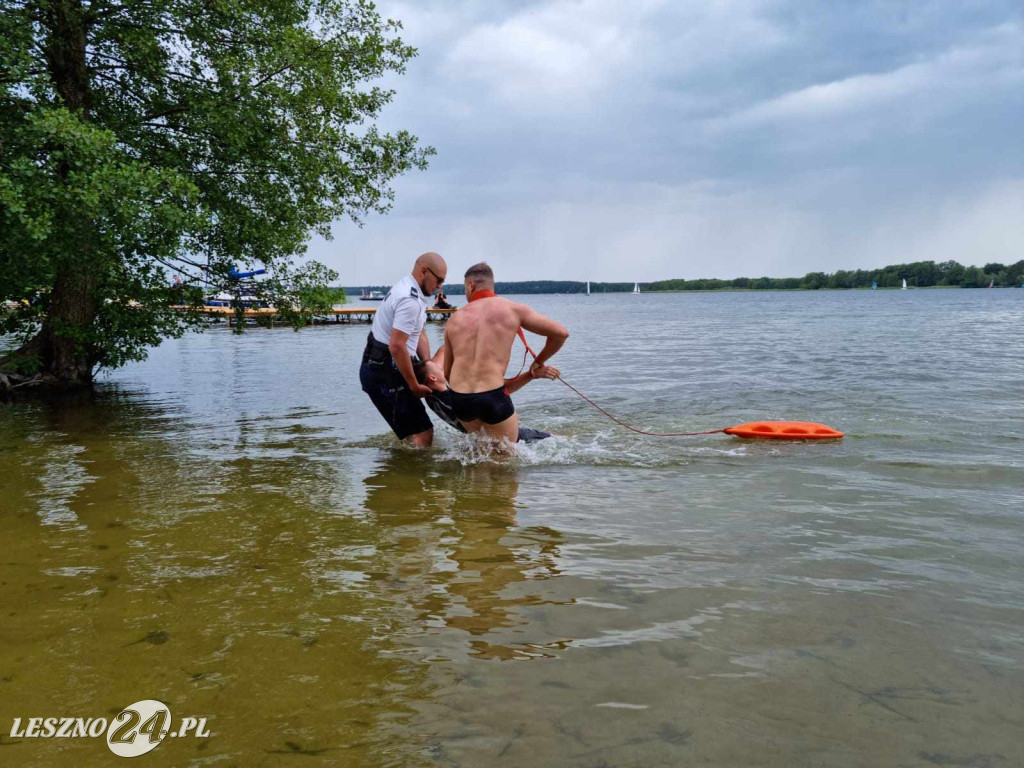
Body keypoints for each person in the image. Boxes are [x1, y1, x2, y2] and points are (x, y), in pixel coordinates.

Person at [443, 262, 569, 444]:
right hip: (492, 397)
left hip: (460, 400)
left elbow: (447, 373)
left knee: (478, 453)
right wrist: (538, 362)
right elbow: (561, 333)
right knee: (508, 461)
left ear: (470, 285)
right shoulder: (512, 309)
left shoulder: (454, 320)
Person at [359, 252, 447, 448]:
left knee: (411, 432)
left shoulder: (409, 288)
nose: (440, 286)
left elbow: (418, 331)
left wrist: (428, 363)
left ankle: (398, 469)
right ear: (425, 271)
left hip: (382, 367)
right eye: (438, 280)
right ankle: (413, 475)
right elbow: (397, 346)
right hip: (383, 372)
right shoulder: (409, 299)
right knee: (423, 432)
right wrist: (414, 385)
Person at [415, 354, 557, 442]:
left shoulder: (430, 398)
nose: (443, 369)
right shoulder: (455, 397)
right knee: (555, 440)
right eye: (440, 369)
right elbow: (502, 392)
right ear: (433, 378)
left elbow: (441, 352)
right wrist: (532, 375)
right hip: (508, 436)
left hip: (481, 436)